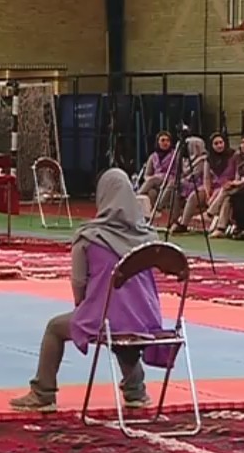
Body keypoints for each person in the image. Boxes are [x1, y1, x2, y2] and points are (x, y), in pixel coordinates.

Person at [10, 168, 163, 412]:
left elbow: (78, 283)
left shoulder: (89, 237)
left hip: (106, 317)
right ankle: (136, 391)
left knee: (55, 328)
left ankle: (43, 393)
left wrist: (83, 307)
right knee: (123, 325)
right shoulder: (150, 239)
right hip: (146, 319)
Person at [136, 131, 176, 208]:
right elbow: (147, 175)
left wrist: (154, 179)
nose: (165, 143)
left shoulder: (175, 154)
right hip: (155, 182)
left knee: (153, 180)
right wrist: (151, 180)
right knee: (152, 192)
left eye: (168, 140)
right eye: (163, 140)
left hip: (170, 179)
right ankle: (153, 211)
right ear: (158, 142)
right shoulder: (153, 156)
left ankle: (136, 195)